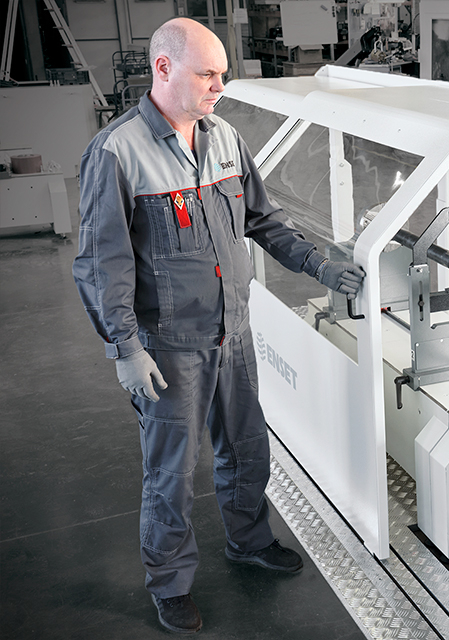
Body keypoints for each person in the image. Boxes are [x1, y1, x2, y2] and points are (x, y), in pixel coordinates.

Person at [72, 17, 365, 634]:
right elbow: (102, 264)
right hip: (169, 344)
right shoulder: (117, 152)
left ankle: (249, 540)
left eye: (223, 74)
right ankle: (170, 582)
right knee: (172, 471)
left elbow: (264, 219)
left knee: (246, 445)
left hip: (234, 332)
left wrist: (318, 264)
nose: (219, 86)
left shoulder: (225, 137)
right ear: (163, 68)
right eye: (207, 73)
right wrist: (124, 347)